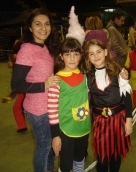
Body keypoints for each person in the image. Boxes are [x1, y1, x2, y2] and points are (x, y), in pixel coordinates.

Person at [11, 8, 60, 172]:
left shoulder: (44, 46)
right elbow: (16, 85)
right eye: (38, 24)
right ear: (30, 28)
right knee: (44, 146)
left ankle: (50, 168)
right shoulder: (27, 50)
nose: (43, 28)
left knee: (50, 144)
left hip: (50, 107)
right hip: (38, 111)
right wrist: (43, 85)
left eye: (47, 24)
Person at [48, 7, 91, 172]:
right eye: (67, 54)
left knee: (80, 161)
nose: (72, 58)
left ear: (81, 55)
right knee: (66, 166)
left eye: (76, 54)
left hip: (83, 128)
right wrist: (55, 135)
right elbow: (52, 110)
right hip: (65, 131)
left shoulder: (85, 75)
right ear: (61, 56)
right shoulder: (56, 80)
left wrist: (122, 76)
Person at [84, 39, 133, 172]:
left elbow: (127, 98)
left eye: (98, 51)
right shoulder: (87, 76)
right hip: (100, 121)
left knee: (115, 155)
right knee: (102, 157)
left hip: (118, 119)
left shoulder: (118, 71)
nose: (96, 56)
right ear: (88, 57)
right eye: (91, 54)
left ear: (105, 52)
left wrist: (129, 120)